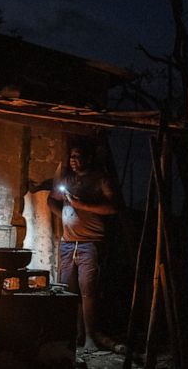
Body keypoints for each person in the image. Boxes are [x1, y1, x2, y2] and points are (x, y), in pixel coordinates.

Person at [46, 144, 122, 355]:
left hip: (90, 243)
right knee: (68, 291)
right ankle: (74, 335)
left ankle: (90, 337)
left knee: (88, 292)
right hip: (67, 243)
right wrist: (62, 214)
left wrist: (82, 207)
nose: (73, 160)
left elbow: (113, 207)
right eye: (71, 156)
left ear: (88, 158)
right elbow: (52, 198)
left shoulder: (100, 179)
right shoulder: (69, 180)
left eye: (78, 156)